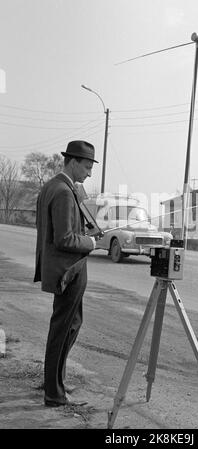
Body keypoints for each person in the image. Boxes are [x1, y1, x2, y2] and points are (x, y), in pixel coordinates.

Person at [34, 140, 102, 407]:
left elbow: (60, 231)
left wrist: (86, 231)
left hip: (63, 268)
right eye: (86, 167)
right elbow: (64, 239)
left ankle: (54, 381)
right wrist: (91, 243)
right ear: (72, 162)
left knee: (70, 325)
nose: (88, 173)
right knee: (62, 329)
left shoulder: (55, 186)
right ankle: (54, 392)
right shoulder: (62, 191)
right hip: (68, 270)